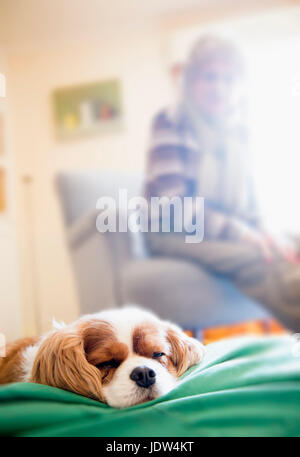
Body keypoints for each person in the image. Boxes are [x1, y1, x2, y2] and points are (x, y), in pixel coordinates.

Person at [144, 35, 300, 332]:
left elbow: (252, 206)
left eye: (229, 80)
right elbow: (173, 207)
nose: (220, 88)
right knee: (261, 259)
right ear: (190, 82)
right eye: (210, 78)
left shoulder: (239, 132)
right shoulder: (171, 120)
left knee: (290, 242)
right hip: (175, 232)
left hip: (228, 231)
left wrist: (268, 234)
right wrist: (243, 234)